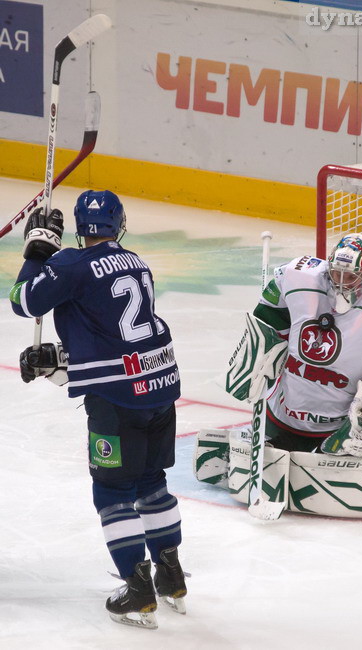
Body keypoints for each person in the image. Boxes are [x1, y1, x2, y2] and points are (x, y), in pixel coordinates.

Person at [9, 190, 187, 629]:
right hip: (160, 384)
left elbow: (23, 301)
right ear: (119, 223)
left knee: (111, 490)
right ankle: (171, 575)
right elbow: (109, 326)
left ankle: (138, 588)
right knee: (151, 479)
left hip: (118, 400)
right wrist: (61, 360)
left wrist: (37, 251)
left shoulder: (70, 263)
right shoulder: (138, 262)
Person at [228, 233, 362, 457]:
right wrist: (257, 357)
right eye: (336, 272)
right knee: (268, 456)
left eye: (350, 276)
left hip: (345, 425)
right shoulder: (296, 276)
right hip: (286, 411)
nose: (340, 281)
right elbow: (268, 322)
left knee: (351, 470)